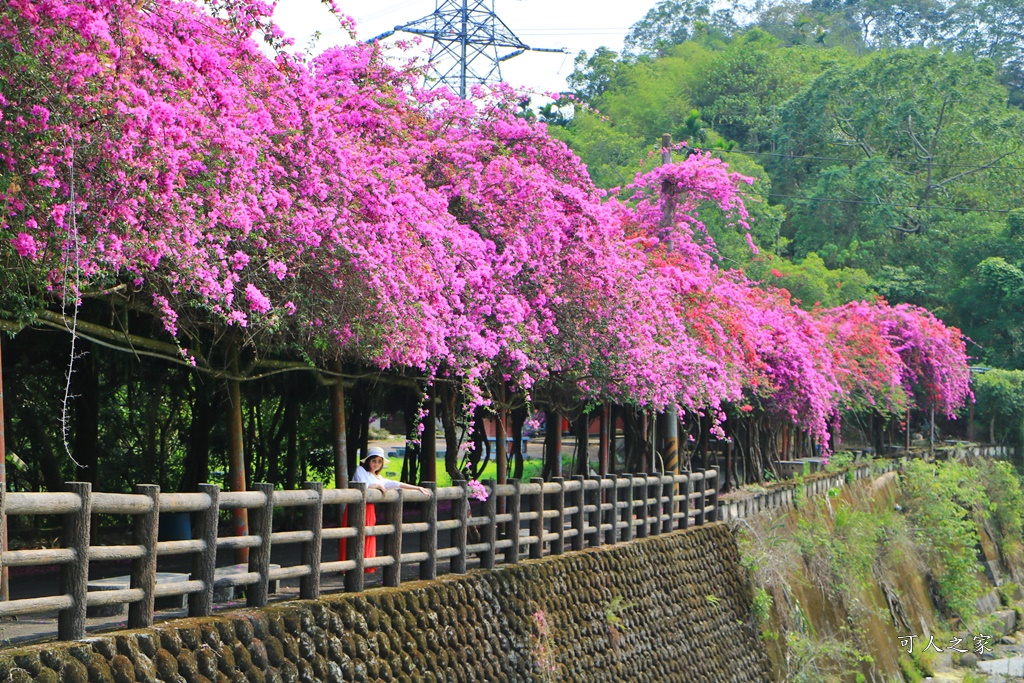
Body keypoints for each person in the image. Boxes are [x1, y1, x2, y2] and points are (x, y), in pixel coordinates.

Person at [343, 447, 430, 571]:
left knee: (368, 534)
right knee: (354, 534)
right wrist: (377, 486)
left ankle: (365, 566)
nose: (376, 464)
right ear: (368, 461)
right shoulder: (360, 470)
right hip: (356, 507)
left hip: (369, 508)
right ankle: (349, 567)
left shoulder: (380, 478)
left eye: (379, 461)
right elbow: (362, 485)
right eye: (374, 461)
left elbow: (396, 484)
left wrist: (417, 488)